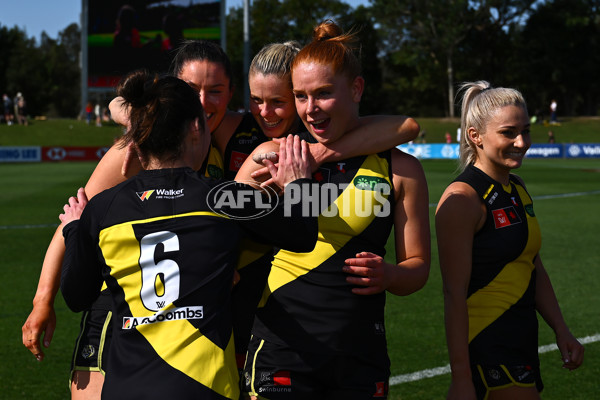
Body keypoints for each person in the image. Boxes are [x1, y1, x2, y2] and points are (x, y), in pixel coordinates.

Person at [22, 38, 418, 399]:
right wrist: (43, 300)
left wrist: (318, 156)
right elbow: (296, 231)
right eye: (192, 92)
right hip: (130, 313)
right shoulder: (214, 190)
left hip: (228, 318)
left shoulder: (253, 140)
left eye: (215, 91)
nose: (204, 101)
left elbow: (406, 126)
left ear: (230, 96)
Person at [58, 70, 317, 400]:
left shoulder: (103, 209)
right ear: (197, 128)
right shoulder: (225, 196)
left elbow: (75, 296)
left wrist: (73, 229)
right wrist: (300, 183)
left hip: (125, 389)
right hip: (203, 389)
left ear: (137, 139)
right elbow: (303, 235)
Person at [241, 20, 430, 399]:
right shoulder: (273, 156)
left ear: (356, 88)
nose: (310, 110)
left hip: (359, 354)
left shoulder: (400, 169)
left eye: (324, 93)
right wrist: (273, 193)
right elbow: (226, 225)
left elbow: (419, 269)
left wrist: (390, 275)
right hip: (281, 348)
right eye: (300, 96)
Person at [435, 81, 584, 400]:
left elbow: (532, 266)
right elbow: (453, 294)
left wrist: (561, 330)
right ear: (475, 136)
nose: (521, 141)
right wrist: (462, 378)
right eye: (508, 132)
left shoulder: (517, 187)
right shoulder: (463, 199)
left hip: (522, 343)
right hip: (488, 350)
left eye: (525, 131)